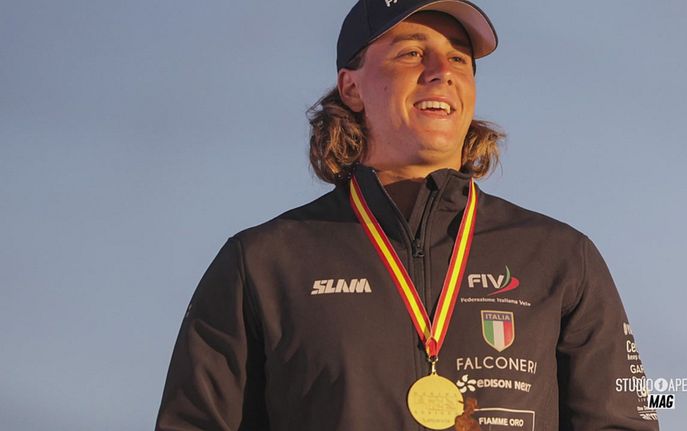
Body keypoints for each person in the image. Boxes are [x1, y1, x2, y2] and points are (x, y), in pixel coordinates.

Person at [156, 1, 659, 430]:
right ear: (351, 88)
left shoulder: (562, 256)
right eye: (412, 53)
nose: (442, 71)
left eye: (459, 58)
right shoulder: (262, 262)